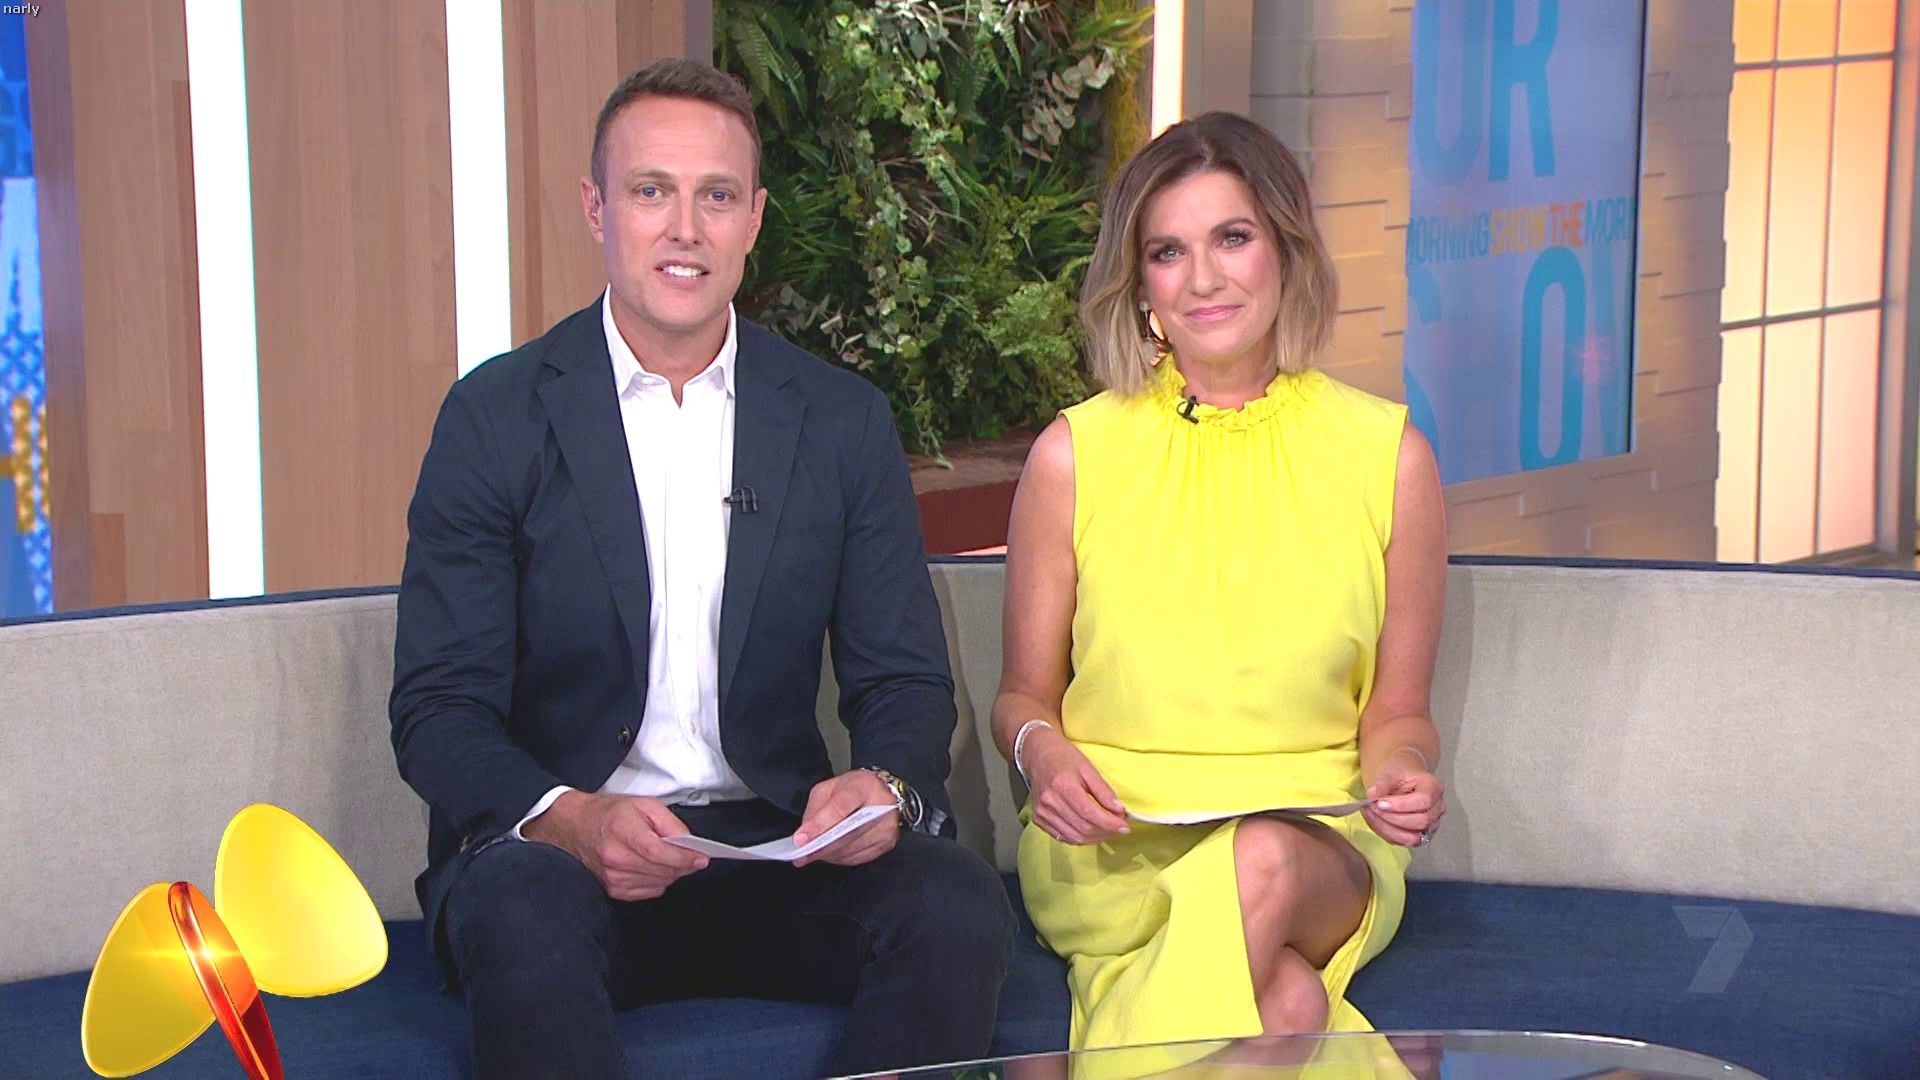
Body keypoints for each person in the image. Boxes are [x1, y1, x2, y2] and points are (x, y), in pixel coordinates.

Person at [389, 57, 1014, 1080]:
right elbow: (438, 708)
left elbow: (902, 678)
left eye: (716, 196)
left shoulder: (840, 421)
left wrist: (887, 786)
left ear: (753, 218)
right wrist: (570, 818)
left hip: (770, 849)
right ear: (597, 208)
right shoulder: (496, 417)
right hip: (561, 859)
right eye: (652, 192)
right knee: (517, 907)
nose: (685, 229)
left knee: (956, 904)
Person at [991, 111, 1449, 1062]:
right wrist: (1044, 759)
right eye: (1169, 252)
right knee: (1285, 1008)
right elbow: (1023, 699)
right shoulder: (1075, 455)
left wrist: (1402, 777)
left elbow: (1398, 713)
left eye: (1232, 238)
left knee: (1262, 858)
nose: (1202, 279)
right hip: (1113, 847)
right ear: (1140, 282)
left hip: (1315, 846)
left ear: (1285, 249)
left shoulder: (1389, 457)